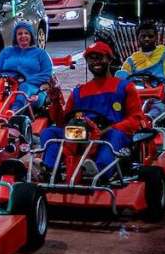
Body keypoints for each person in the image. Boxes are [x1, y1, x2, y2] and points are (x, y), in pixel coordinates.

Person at [39, 42, 145, 178]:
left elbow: (136, 118)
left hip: (108, 133)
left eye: (99, 57)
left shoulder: (125, 87)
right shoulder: (78, 91)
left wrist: (109, 129)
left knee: (115, 135)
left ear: (110, 59)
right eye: (91, 58)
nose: (95, 62)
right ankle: (49, 169)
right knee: (49, 132)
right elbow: (62, 123)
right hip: (81, 134)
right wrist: (54, 100)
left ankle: (100, 171)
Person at [116, 21, 165, 120]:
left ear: (156, 37)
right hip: (140, 95)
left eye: (150, 36)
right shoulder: (131, 61)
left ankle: (148, 120)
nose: (147, 39)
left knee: (157, 110)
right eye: (143, 36)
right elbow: (121, 81)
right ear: (138, 38)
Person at [0, 21, 53, 111]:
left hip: (33, 89)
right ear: (15, 37)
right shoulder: (6, 52)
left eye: (26, 33)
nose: (23, 36)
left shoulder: (41, 53)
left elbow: (47, 74)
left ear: (31, 36)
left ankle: (13, 113)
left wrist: (24, 81)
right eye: (19, 34)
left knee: (24, 88)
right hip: (6, 87)